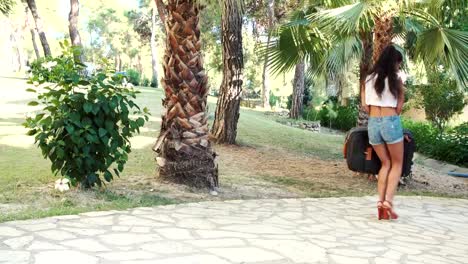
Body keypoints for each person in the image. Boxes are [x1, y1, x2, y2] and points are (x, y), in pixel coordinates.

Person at [362, 45, 406, 220]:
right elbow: (399, 107)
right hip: (390, 121)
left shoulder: (368, 79)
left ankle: (380, 203)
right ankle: (388, 202)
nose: (398, 67)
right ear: (394, 62)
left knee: (385, 164)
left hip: (373, 123)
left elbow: (365, 106)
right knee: (397, 164)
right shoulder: (397, 79)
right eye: (398, 64)